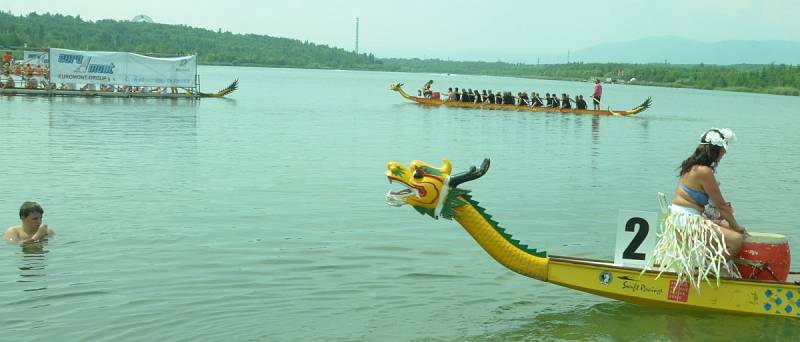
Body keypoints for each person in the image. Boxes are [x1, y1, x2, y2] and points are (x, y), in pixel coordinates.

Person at [652, 128, 745, 289]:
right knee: (736, 240)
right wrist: (736, 226)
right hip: (687, 221)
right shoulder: (704, 171)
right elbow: (721, 206)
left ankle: (710, 267)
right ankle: (704, 272)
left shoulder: (692, 166)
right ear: (716, 150)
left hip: (681, 217)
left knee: (729, 231)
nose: (724, 154)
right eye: (723, 150)